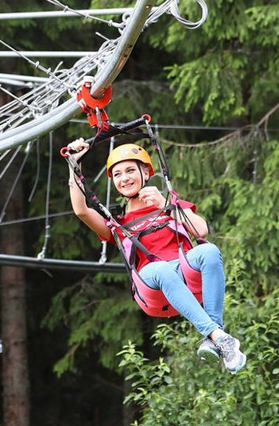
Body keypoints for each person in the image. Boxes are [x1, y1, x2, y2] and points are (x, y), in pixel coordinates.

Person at [66, 139, 246, 373]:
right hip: (151, 285)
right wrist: (73, 164)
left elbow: (200, 231)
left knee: (209, 250)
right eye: (118, 174)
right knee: (160, 268)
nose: (125, 178)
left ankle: (216, 337)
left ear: (146, 173)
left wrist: (165, 204)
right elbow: (81, 210)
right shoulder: (117, 224)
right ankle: (217, 334)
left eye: (130, 170)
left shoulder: (168, 204)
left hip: (184, 275)